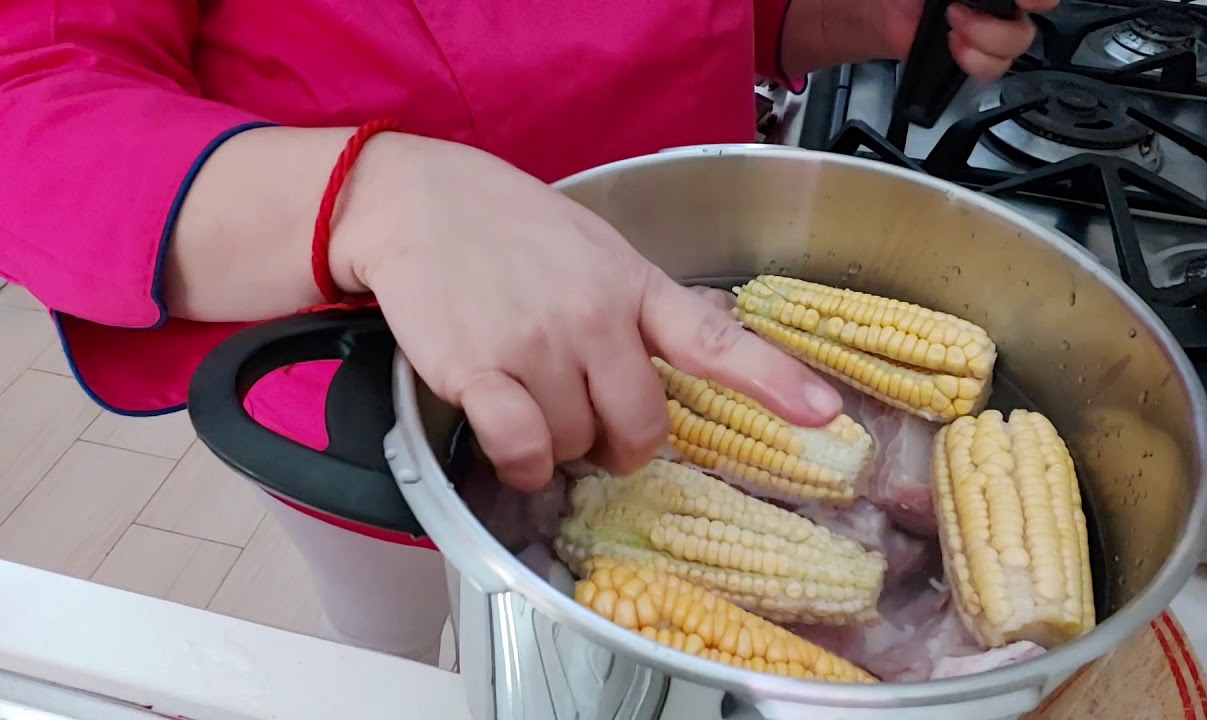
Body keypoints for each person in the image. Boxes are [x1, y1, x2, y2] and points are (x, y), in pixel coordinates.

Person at [0, 0, 1055, 660]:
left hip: (681, 318)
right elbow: (31, 93)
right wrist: (370, 198)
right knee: (389, 629)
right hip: (367, 364)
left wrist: (800, 15)